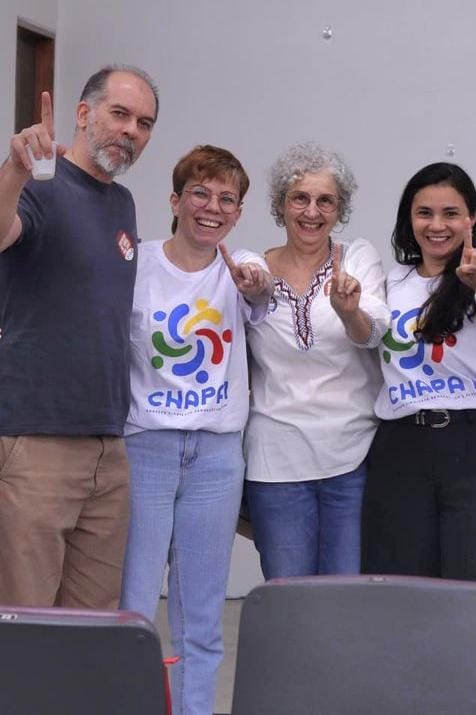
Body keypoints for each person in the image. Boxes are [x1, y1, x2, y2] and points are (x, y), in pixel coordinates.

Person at [0, 65, 159, 608]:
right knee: (23, 627)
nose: (131, 131)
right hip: (37, 442)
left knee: (88, 635)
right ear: (84, 113)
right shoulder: (41, 184)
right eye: (120, 114)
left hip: (108, 450)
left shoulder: (123, 203)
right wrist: (15, 169)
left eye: (144, 122)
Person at [120, 145, 271, 715]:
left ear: (238, 210)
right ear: (176, 200)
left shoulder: (241, 267)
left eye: (227, 199)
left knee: (201, 614)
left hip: (215, 456)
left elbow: (260, 295)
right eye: (200, 194)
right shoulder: (139, 263)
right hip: (145, 450)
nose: (213, 208)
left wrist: (255, 286)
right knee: (133, 607)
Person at [362, 162, 476, 593]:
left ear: (473, 217)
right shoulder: (389, 282)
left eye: (451, 213)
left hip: (475, 445)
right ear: (407, 218)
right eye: (424, 212)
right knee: (400, 589)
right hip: (401, 447)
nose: (436, 225)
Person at [243, 142, 390, 579]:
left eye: (325, 200)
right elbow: (249, 295)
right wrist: (252, 290)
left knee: (346, 598)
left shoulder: (358, 258)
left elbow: (375, 331)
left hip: (352, 458)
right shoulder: (255, 267)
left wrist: (350, 312)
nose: (312, 211)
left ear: (339, 208)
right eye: (300, 198)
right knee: (289, 598)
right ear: (280, 205)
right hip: (276, 461)